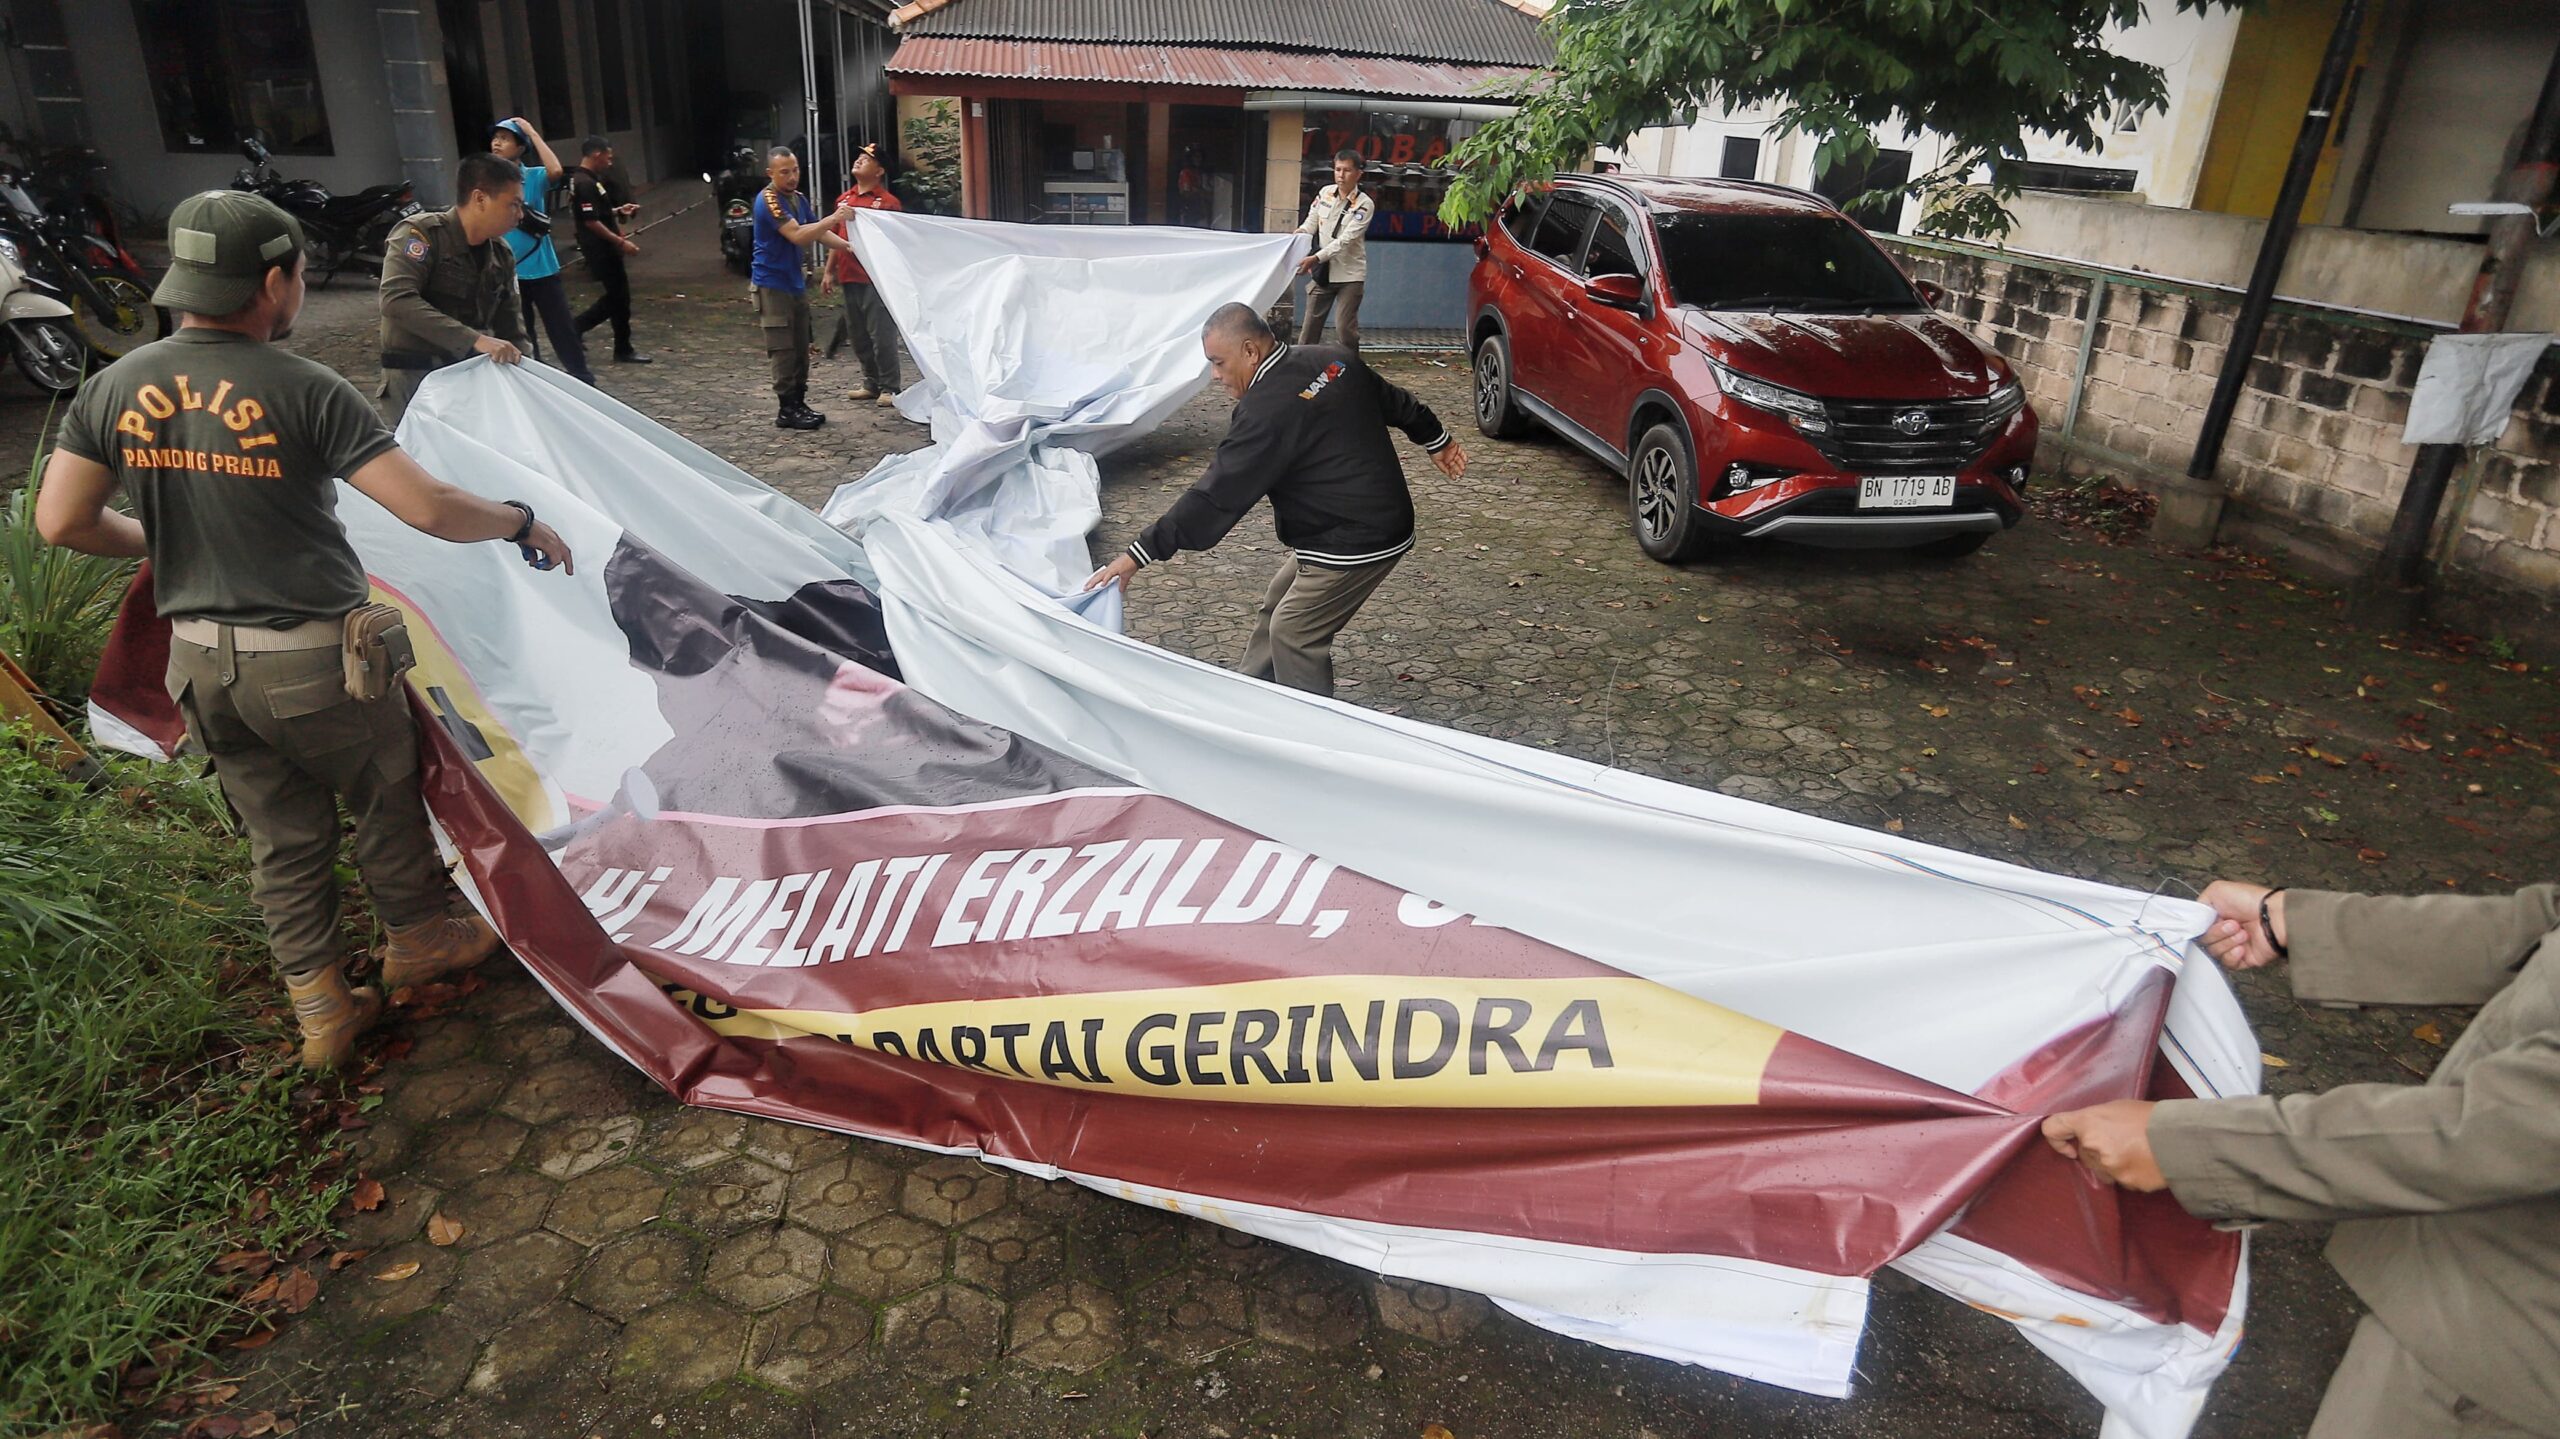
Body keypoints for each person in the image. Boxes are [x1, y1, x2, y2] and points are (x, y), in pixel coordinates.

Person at [32, 190, 575, 1070]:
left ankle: (321, 1008)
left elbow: (60, 521)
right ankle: (417, 941)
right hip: (316, 659)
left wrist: (166, 546)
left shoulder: (114, 386)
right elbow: (428, 507)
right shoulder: (302, 387)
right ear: (278, 281)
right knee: (383, 794)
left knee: (279, 835)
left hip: (201, 662)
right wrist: (519, 520)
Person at [2043, 880, 2560, 1439]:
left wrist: (2188, 1146)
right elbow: (2541, 923)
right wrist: (2307, 925)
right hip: (2482, 1298)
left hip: (2506, 1362)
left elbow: (2499, 1131)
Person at [1083, 304, 1466, 698]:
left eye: (1217, 362)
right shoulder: (1330, 360)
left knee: (1294, 632)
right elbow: (1397, 401)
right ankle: (1250, 698)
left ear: (1250, 351)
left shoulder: (1266, 413)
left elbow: (1215, 496)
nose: (1214, 375)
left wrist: (1136, 555)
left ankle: (1313, 737)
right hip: (1351, 523)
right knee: (1277, 605)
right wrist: (1438, 440)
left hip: (1359, 538)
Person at [378, 152, 527, 425]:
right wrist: (474, 340)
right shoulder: (421, 235)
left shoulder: (501, 255)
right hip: (416, 383)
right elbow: (396, 300)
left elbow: (512, 328)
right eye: (513, 205)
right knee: (422, 466)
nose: (520, 215)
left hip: (468, 383)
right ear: (480, 198)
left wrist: (530, 378)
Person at [751, 146, 856, 431]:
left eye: (795, 169)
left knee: (800, 348)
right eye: (784, 172)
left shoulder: (797, 199)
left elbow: (818, 231)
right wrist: (833, 218)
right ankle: (786, 409)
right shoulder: (769, 201)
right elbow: (798, 235)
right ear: (770, 173)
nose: (792, 176)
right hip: (773, 286)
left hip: (794, 284)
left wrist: (848, 247)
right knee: (783, 349)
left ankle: (799, 402)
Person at [486, 117, 593, 384]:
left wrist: (532, 132)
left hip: (542, 267)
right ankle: (533, 380)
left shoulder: (531, 176)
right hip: (508, 272)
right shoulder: (487, 180)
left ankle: (583, 379)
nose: (497, 143)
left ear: (520, 147)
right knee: (522, 331)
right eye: (495, 137)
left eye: (505, 138)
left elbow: (555, 171)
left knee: (562, 328)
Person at [819, 140, 905, 406]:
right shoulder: (845, 199)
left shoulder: (887, 203)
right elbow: (837, 235)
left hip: (874, 278)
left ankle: (891, 386)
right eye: (859, 156)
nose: (859, 160)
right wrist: (829, 271)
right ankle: (871, 381)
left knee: (881, 334)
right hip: (849, 275)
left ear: (879, 171)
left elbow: (894, 242)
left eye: (866, 159)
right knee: (858, 335)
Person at [570, 135, 649, 365]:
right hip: (601, 250)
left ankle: (621, 346)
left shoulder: (589, 180)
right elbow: (590, 222)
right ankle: (577, 328)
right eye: (609, 157)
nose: (610, 162)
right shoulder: (584, 183)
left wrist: (617, 211)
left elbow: (596, 214)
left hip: (604, 248)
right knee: (618, 299)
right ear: (597, 154)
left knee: (619, 298)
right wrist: (620, 242)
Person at [1294, 149, 1376, 350]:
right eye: (1338, 169)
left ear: (1358, 173)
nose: (1341, 175)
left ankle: (1351, 370)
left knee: (1345, 330)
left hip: (1349, 275)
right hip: (1323, 273)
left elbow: (1345, 240)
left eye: (1347, 170)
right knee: (1308, 332)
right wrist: (1298, 236)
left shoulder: (1365, 204)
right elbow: (1311, 222)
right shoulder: (1325, 193)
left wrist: (1315, 258)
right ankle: (1301, 369)